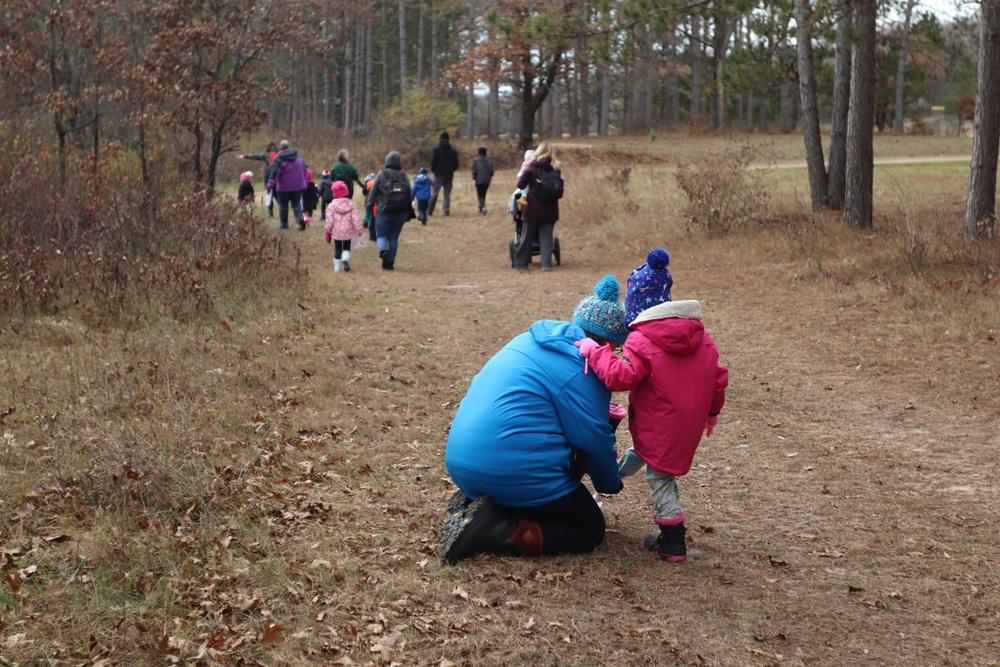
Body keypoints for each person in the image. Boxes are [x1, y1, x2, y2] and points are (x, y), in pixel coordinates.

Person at [440, 275, 630, 564]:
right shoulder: (587, 370)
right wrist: (609, 481)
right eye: (616, 348)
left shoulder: (528, 339)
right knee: (590, 528)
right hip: (506, 471)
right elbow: (593, 438)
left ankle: (480, 504)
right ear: (605, 343)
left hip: (460, 463)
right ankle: (495, 529)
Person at [576, 255, 728, 562]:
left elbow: (621, 377)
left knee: (660, 479)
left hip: (660, 423)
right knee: (646, 452)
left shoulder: (642, 341)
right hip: (683, 426)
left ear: (636, 307)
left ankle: (673, 539)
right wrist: (712, 412)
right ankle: (613, 477)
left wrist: (595, 352)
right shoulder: (703, 339)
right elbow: (718, 378)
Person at [513, 141, 561, 272]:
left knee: (527, 236)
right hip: (550, 208)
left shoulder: (531, 166)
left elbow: (520, 185)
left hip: (532, 208)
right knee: (546, 237)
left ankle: (521, 263)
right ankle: (546, 265)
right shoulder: (555, 167)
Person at [365, 152, 412, 271]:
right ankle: (390, 262)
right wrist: (408, 210)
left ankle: (383, 251)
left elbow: (373, 193)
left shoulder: (381, 174)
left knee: (381, 235)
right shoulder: (403, 176)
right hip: (400, 212)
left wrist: (369, 208)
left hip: (383, 210)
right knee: (394, 237)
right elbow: (409, 194)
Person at [266, 140, 309, 230]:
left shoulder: (279, 159)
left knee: (283, 205)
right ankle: (300, 219)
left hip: (283, 187)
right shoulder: (299, 157)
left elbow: (275, 174)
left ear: (280, 148)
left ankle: (284, 224)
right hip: (298, 186)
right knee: (296, 204)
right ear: (289, 146)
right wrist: (305, 182)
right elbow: (304, 171)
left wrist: (269, 185)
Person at [325, 181, 363, 273]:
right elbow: (355, 218)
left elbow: (329, 220)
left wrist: (328, 231)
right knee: (346, 247)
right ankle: (345, 258)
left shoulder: (331, 206)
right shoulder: (351, 204)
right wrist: (358, 229)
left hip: (336, 231)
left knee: (338, 249)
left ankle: (337, 268)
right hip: (348, 230)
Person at [238, 141, 278, 217]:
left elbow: (256, 156)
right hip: (278, 175)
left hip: (269, 174)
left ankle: (270, 213)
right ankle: (283, 210)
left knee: (269, 193)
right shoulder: (280, 154)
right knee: (277, 194)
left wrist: (244, 156)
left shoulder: (267, 155)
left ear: (268, 148)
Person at [427, 131, 458, 217]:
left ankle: (429, 210)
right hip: (449, 174)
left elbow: (433, 162)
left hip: (439, 174)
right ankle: (446, 210)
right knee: (447, 193)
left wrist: (434, 170)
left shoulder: (436, 149)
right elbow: (456, 164)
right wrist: (452, 170)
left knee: (434, 192)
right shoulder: (453, 151)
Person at [472, 146, 495, 215]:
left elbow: (474, 170)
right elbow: (492, 171)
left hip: (478, 180)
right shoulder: (489, 161)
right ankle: (481, 207)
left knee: (479, 194)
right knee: (483, 194)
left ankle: (483, 207)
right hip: (486, 180)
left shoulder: (475, 160)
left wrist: (474, 178)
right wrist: (489, 177)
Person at [363, 173, 377, 242]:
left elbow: (368, 205)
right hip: (378, 211)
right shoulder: (378, 192)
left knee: (371, 225)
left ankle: (372, 237)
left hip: (373, 211)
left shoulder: (369, 194)